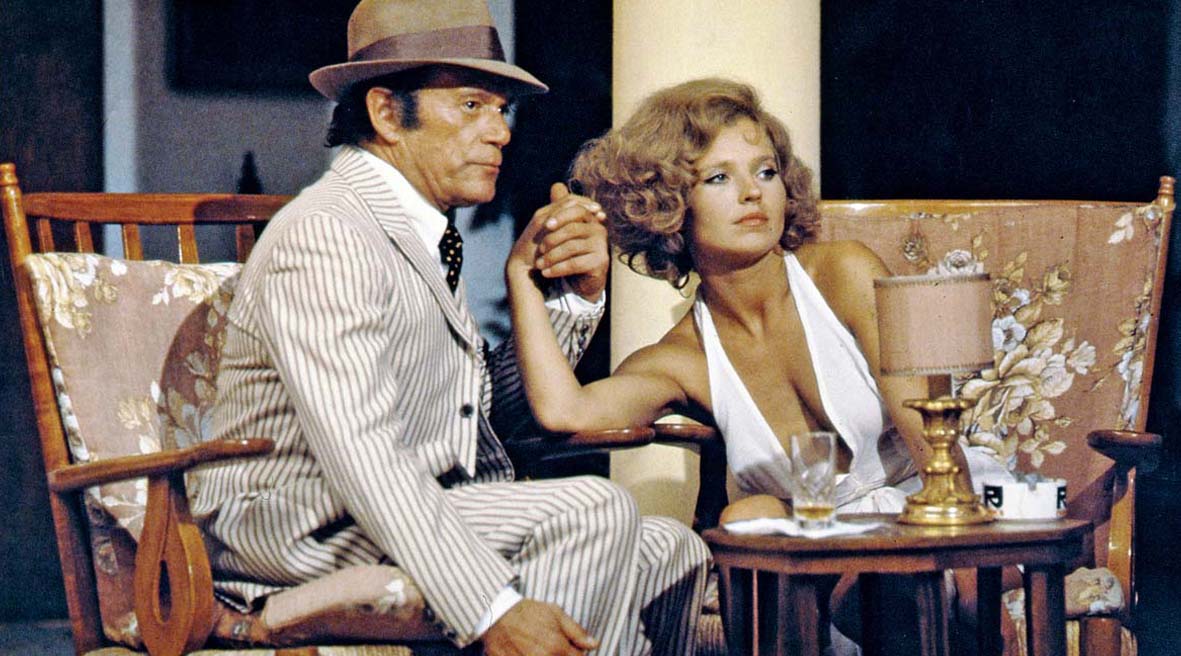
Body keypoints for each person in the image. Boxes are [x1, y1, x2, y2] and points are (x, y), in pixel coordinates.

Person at [192, 2, 710, 654]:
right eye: (471, 106)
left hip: (409, 505)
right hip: (304, 524)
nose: (500, 133)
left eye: (501, 109)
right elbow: (363, 454)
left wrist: (563, 298)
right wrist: (492, 607)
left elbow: (478, 417)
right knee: (592, 509)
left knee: (671, 549)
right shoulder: (328, 234)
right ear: (386, 114)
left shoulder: (419, 230)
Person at [507, 77, 1014, 652]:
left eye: (766, 171)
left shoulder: (843, 274)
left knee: (880, 582)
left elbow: (934, 451)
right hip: (819, 562)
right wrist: (523, 278)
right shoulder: (682, 357)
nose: (753, 193)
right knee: (747, 516)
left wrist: (975, 579)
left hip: (931, 514)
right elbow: (564, 410)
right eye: (720, 178)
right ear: (667, 205)